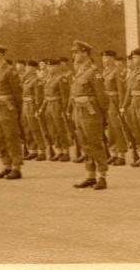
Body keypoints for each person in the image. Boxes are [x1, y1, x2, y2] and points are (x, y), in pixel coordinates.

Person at [68, 40, 110, 190]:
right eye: (73, 52)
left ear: (85, 53)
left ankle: (102, 176)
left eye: (77, 52)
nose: (74, 55)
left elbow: (102, 97)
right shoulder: (79, 71)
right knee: (84, 144)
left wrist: (103, 115)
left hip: (91, 113)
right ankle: (90, 175)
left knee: (95, 144)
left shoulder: (94, 72)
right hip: (79, 112)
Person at [0, 43, 24, 179]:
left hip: (8, 107)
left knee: (11, 136)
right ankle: (6, 165)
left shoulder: (9, 70)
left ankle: (16, 166)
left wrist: (18, 111)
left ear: (0, 54)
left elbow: (17, 93)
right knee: (1, 137)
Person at [101, 50, 128, 165]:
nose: (105, 60)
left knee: (117, 127)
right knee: (110, 129)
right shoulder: (105, 71)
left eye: (107, 58)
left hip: (114, 101)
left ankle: (121, 154)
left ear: (112, 59)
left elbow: (121, 90)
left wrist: (121, 105)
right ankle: (114, 153)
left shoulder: (117, 71)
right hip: (107, 101)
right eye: (103, 58)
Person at [41, 59, 71, 161]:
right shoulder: (48, 78)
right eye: (48, 67)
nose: (49, 68)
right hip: (49, 105)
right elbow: (46, 95)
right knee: (52, 129)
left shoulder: (61, 78)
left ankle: (66, 151)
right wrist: (42, 108)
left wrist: (64, 109)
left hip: (57, 105)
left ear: (57, 67)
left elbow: (65, 96)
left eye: (51, 66)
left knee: (60, 129)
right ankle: (58, 151)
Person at [20, 60, 48, 161]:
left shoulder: (37, 80)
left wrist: (37, 108)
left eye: (28, 67)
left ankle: (42, 151)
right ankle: (32, 150)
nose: (26, 69)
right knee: (27, 128)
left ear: (33, 69)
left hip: (32, 105)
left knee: (35, 128)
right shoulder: (26, 80)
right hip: (25, 105)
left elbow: (38, 96)